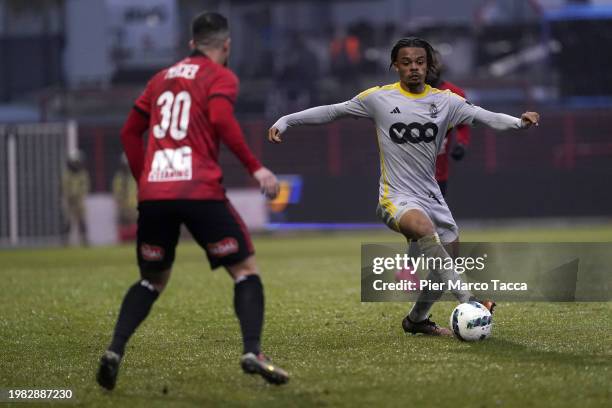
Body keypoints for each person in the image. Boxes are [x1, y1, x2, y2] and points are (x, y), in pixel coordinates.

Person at [268, 37, 539, 336]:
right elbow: (333, 111)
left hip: (432, 196)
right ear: (395, 66)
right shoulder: (379, 98)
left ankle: (417, 320)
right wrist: (286, 120)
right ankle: (470, 300)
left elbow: (485, 117)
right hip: (394, 197)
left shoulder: (446, 101)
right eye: (407, 62)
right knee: (424, 230)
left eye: (420, 62)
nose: (414, 68)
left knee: (442, 266)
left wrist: (519, 123)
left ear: (429, 65)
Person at [96, 11, 289, 390]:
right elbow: (220, 118)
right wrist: (256, 168)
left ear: (190, 44)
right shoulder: (220, 77)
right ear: (226, 45)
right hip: (198, 190)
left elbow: (129, 131)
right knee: (245, 269)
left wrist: (144, 179)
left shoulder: (159, 79)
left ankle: (115, 350)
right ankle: (253, 351)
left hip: (155, 194)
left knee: (152, 280)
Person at [426, 53, 471, 197]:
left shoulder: (454, 94)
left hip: (438, 171)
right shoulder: (406, 93)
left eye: (433, 65)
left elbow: (463, 123)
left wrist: (461, 144)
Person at [61, 150, 90, 246]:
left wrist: (78, 196)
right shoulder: (67, 174)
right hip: (69, 201)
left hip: (79, 201)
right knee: (68, 221)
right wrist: (70, 196)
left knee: (82, 220)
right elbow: (64, 187)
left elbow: (85, 187)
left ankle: (85, 240)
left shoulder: (83, 174)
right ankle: (65, 241)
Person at [112, 154, 138, 241]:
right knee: (123, 224)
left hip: (133, 206)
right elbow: (116, 191)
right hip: (122, 206)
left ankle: (134, 241)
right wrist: (119, 201)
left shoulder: (134, 176)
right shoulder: (119, 177)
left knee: (134, 225)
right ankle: (123, 241)